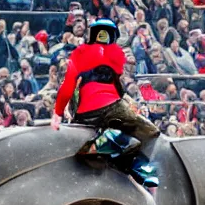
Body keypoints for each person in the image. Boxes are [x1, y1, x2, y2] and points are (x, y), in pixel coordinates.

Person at [52, 19, 159, 187]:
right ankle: (133, 163)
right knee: (150, 132)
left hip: (85, 113)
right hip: (108, 108)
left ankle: (124, 159)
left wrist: (57, 114)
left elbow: (67, 88)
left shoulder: (79, 55)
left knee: (125, 126)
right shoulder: (113, 55)